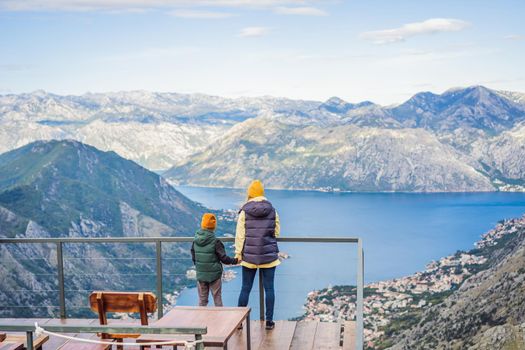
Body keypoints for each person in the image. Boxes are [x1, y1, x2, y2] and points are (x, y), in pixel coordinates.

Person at [235, 180, 280, 330]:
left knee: (245, 288)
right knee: (270, 289)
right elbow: (277, 232)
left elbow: (240, 235)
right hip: (268, 256)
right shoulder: (272, 210)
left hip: (249, 257)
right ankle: (269, 322)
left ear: (250, 193)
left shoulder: (244, 211)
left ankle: (239, 322)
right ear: (262, 192)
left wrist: (238, 253)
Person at [191, 213, 238, 307]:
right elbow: (224, 258)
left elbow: (194, 257)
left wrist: (200, 267)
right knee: (217, 298)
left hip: (201, 274)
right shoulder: (216, 241)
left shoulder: (195, 240)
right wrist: (235, 260)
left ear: (202, 224)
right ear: (214, 227)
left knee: (202, 300)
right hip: (214, 274)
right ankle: (219, 320)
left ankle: (200, 320)